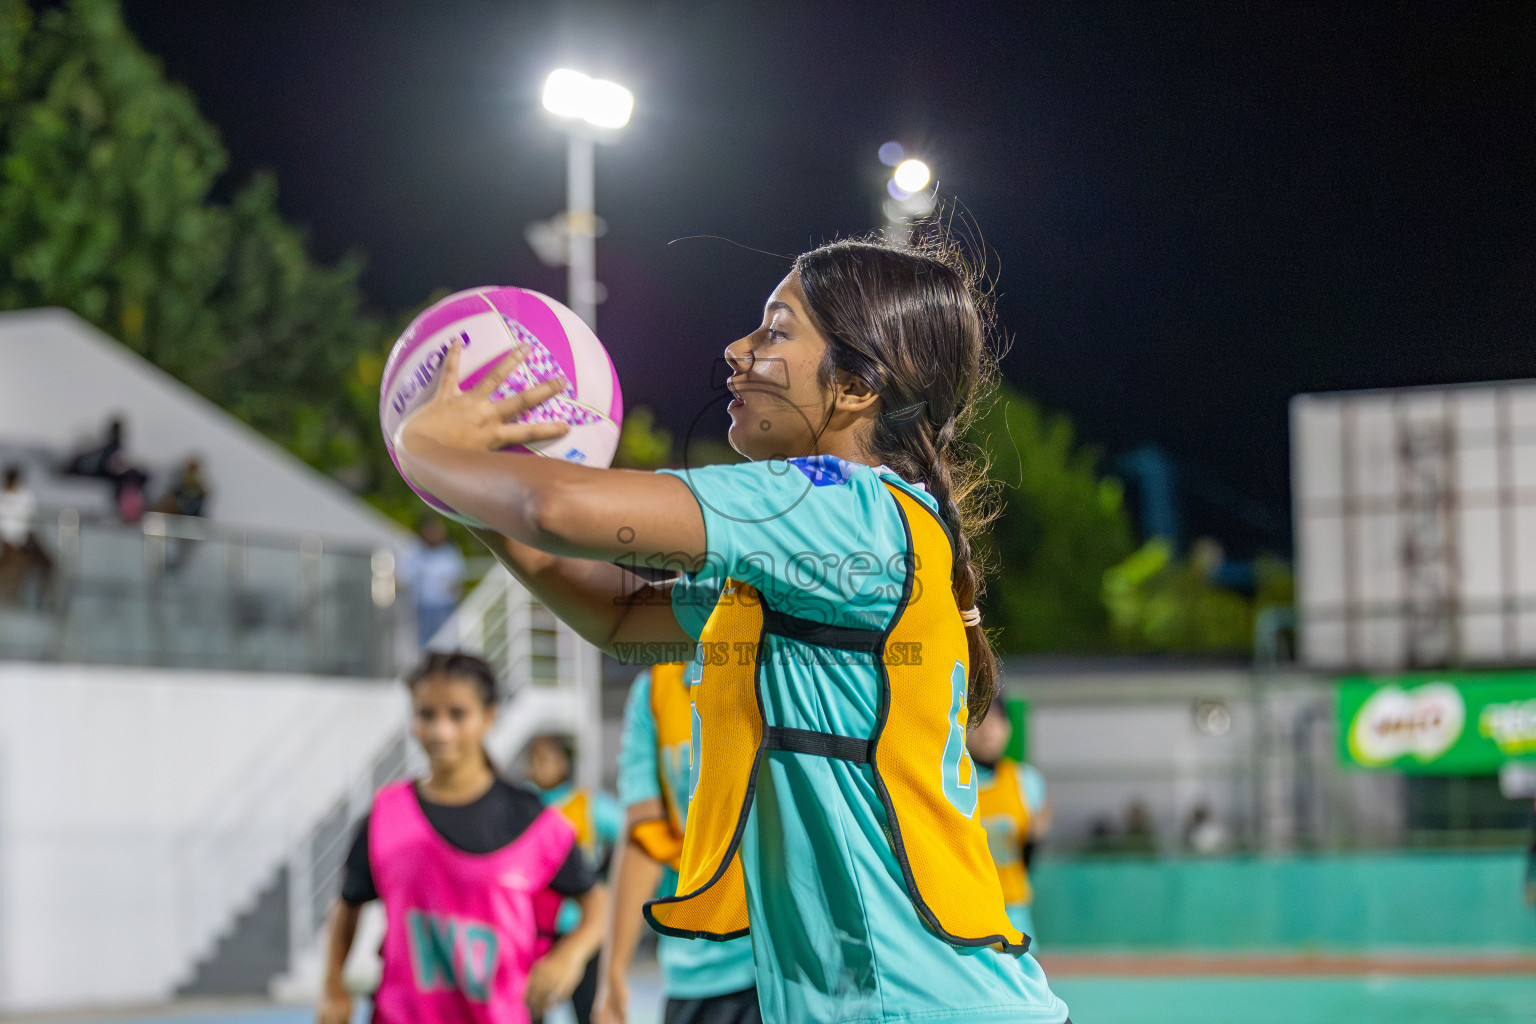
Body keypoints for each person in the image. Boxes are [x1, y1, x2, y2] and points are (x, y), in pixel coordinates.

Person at [392, 237, 1069, 1023]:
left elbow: (559, 509)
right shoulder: (829, 544)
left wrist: (423, 445)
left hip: (911, 1005)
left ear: (853, 386)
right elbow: (617, 615)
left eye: (776, 330)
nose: (736, 350)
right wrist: (474, 492)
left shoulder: (837, 506)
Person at [318, 651, 608, 1024]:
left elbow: (597, 900)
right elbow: (349, 902)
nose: (441, 730)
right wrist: (332, 986)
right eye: (427, 714)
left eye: (457, 714)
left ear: (489, 717)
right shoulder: (385, 817)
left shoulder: (531, 819)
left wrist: (569, 955)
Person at [595, 663, 759, 1024]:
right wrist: (613, 972)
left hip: (789, 959)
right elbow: (644, 836)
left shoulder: (782, 659)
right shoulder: (655, 690)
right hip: (698, 962)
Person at [523, 734, 623, 1024]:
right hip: (534, 929)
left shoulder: (587, 804)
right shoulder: (523, 806)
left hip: (582, 926)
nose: (537, 766)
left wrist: (606, 875)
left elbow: (632, 836)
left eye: (545, 758)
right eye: (533, 759)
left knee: (589, 1010)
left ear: (564, 762)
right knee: (530, 1011)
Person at [967, 698, 1040, 942]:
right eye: (979, 721)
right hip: (969, 911)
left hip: (1014, 911)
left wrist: (1035, 838)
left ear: (1008, 728)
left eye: (997, 720)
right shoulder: (953, 781)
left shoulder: (1026, 781)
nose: (988, 729)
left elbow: (1027, 859)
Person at [398, 516, 468, 646]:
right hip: (424, 606)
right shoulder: (417, 552)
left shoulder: (449, 552)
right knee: (426, 644)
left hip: (445, 605)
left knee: (446, 642)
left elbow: (457, 579)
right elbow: (404, 576)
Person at [0, 465, 51, 607]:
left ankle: (43, 602)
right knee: (16, 566)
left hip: (27, 542)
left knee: (49, 564)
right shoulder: (3, 499)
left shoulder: (25, 497)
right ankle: (11, 602)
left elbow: (31, 523)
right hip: (9, 546)